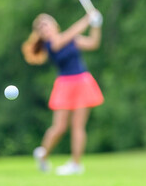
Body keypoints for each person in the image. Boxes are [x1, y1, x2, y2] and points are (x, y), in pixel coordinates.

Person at [22, 10, 104, 175]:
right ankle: (43, 154)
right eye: (41, 29)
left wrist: (96, 25)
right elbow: (68, 35)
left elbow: (94, 44)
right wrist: (87, 19)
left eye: (47, 25)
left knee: (78, 126)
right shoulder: (51, 45)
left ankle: (75, 164)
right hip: (65, 85)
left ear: (55, 25)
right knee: (59, 128)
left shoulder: (72, 40)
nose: (45, 29)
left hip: (82, 82)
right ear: (40, 35)